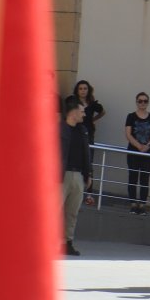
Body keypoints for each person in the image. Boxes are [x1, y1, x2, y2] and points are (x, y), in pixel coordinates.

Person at [60, 97, 93, 256]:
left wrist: (89, 174)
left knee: (72, 212)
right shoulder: (59, 129)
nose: (84, 114)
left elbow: (87, 154)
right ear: (73, 113)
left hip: (78, 175)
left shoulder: (83, 131)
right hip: (61, 176)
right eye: (82, 111)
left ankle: (67, 242)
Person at [124, 92, 150, 214]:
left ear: (148, 103)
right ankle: (133, 204)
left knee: (145, 178)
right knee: (133, 177)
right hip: (133, 151)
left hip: (148, 153)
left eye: (145, 101)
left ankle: (143, 205)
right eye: (140, 101)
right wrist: (139, 146)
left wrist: (147, 146)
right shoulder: (131, 116)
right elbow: (128, 134)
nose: (142, 103)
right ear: (136, 102)